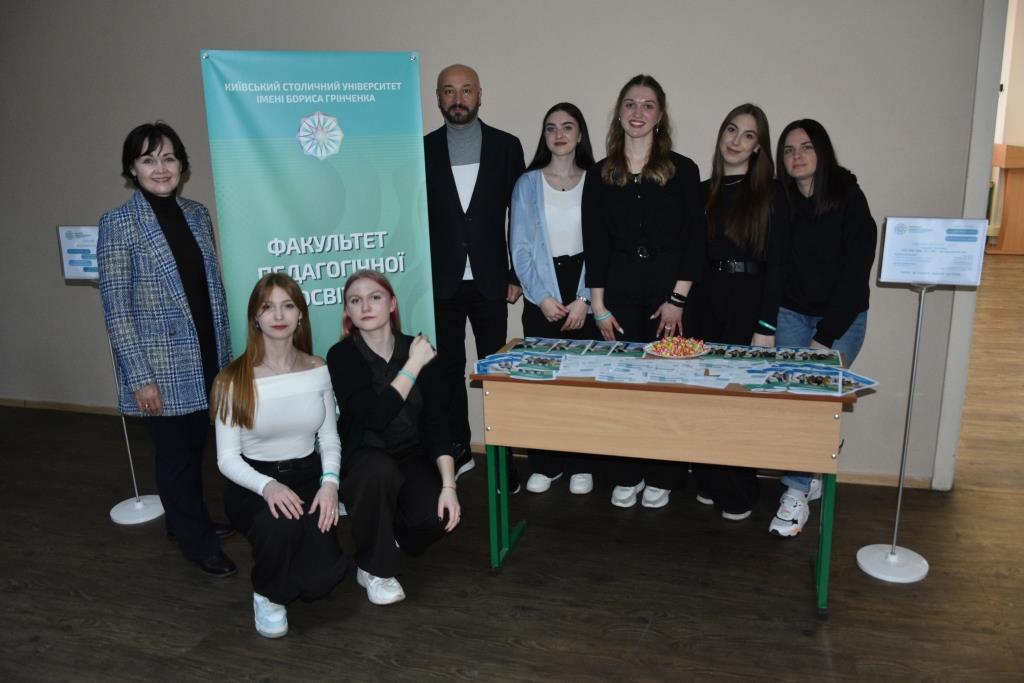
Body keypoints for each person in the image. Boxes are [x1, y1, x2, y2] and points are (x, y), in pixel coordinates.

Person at [98, 121, 236, 577]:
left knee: (196, 446)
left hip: (207, 356)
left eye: (168, 157)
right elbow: (117, 310)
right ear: (132, 169)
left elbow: (211, 290)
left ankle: (183, 521)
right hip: (160, 367)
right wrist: (140, 378)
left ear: (182, 165)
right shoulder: (118, 224)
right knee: (175, 455)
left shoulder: (197, 214)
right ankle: (197, 544)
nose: (160, 168)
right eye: (147, 159)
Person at [582, 75, 705, 509]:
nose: (638, 112)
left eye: (647, 105)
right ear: (619, 113)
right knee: (623, 385)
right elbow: (594, 243)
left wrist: (678, 300)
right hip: (618, 293)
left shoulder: (684, 170)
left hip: (668, 294)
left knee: (666, 386)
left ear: (660, 115)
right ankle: (626, 471)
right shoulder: (599, 174)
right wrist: (598, 306)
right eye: (630, 104)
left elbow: (696, 241)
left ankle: (663, 474)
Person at [211, 273, 345, 639]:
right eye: (268, 307)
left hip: (307, 474)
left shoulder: (318, 369)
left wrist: (330, 484)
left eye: (288, 305)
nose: (279, 315)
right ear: (255, 317)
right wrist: (268, 486)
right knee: (280, 527)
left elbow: (329, 438)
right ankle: (267, 593)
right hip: (254, 482)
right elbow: (227, 459)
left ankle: (288, 565)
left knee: (322, 582)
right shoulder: (232, 380)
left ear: (301, 314)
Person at [326, 270, 461, 606]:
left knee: (438, 517)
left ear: (392, 304)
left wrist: (449, 485)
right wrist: (413, 365)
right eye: (355, 300)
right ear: (347, 312)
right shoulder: (342, 356)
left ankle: (385, 533)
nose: (365, 306)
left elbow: (437, 423)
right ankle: (373, 568)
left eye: (375, 297)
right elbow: (375, 416)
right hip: (364, 456)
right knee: (378, 470)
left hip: (410, 454)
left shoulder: (418, 349)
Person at [769, 119, 876, 537]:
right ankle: (808, 471)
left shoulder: (849, 196)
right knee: (793, 400)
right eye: (788, 149)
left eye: (806, 147)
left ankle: (795, 492)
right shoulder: (782, 201)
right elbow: (776, 267)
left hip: (842, 318)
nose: (796, 156)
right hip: (792, 314)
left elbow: (855, 274)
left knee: (815, 398)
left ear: (822, 152)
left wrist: (824, 337)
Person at [423, 63, 525, 490]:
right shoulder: (422, 149)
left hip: (491, 281)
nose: (458, 98)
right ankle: (459, 449)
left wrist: (516, 272)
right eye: (449, 91)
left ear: (479, 95)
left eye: (466, 90)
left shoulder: (506, 146)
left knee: (496, 374)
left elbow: (522, 215)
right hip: (440, 283)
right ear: (438, 98)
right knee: (446, 372)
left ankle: (504, 459)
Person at [684, 104, 786, 521]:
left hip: (747, 303)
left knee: (738, 400)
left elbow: (778, 265)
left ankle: (740, 489)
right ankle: (710, 479)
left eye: (747, 135)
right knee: (704, 395)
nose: (736, 141)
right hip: (704, 301)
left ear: (758, 147)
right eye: (731, 130)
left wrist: (766, 324)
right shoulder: (701, 191)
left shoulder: (771, 194)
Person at [510, 102, 599, 495]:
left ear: (580, 135)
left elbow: (603, 246)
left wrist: (585, 299)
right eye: (551, 128)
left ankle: (582, 463)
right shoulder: (527, 183)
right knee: (542, 383)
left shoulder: (597, 181)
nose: (559, 135)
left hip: (586, 287)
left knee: (582, 383)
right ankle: (546, 464)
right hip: (541, 291)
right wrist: (542, 297)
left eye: (567, 127)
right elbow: (520, 248)